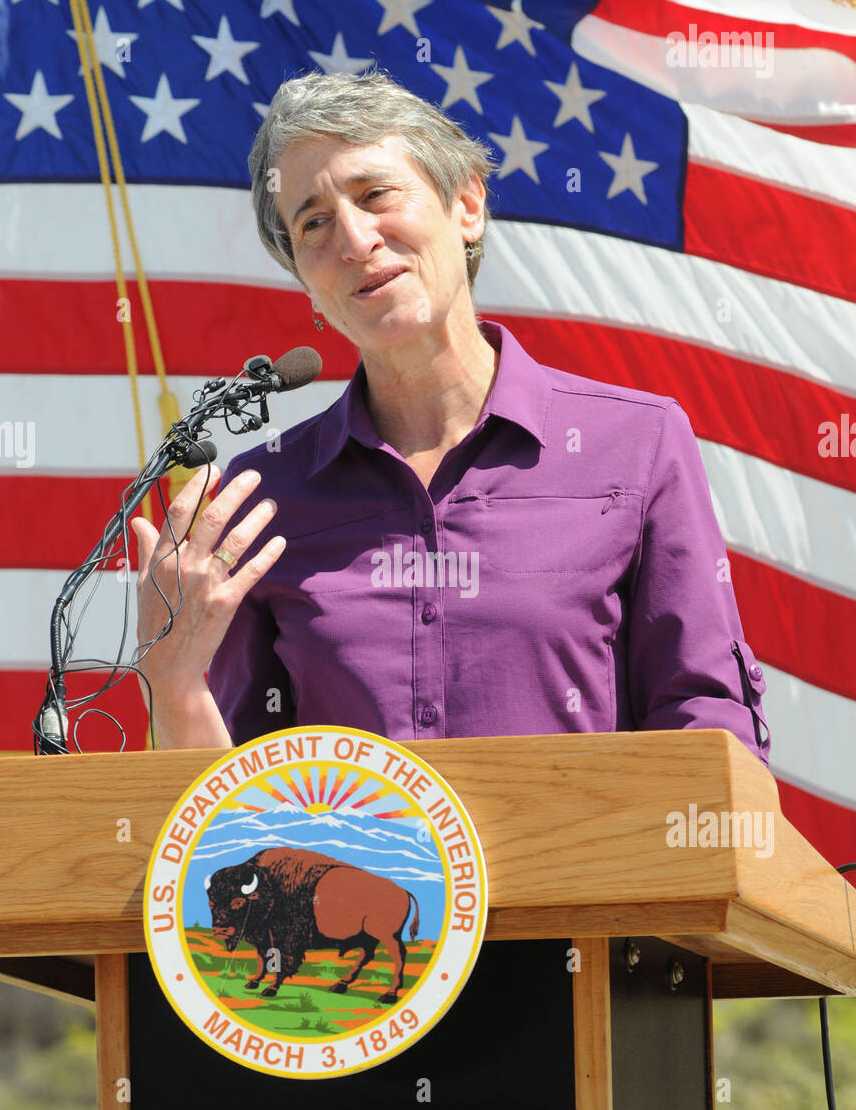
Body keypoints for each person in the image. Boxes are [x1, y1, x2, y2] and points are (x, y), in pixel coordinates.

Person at [132, 68, 770, 768]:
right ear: (305, 281)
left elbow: (705, 719)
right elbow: (233, 805)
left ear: (466, 204)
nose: (353, 239)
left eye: (375, 195)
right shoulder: (261, 500)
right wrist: (174, 679)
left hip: (592, 873)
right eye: (312, 222)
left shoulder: (637, 444)